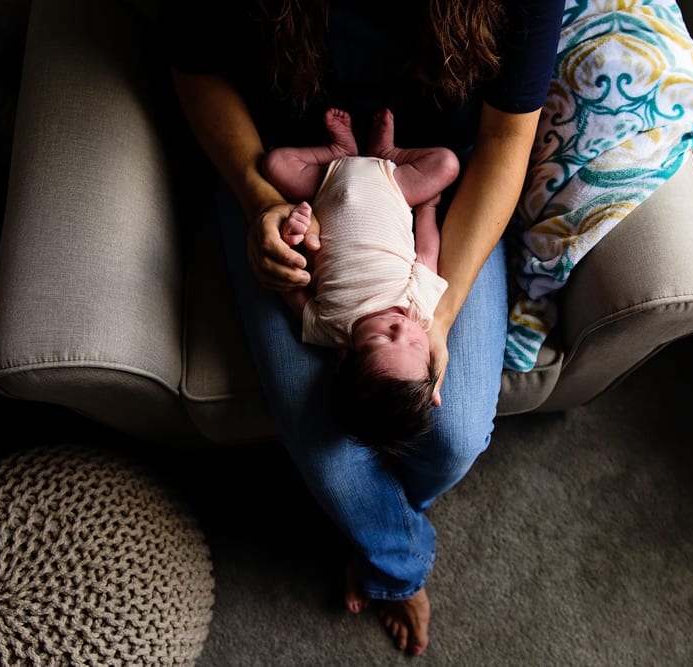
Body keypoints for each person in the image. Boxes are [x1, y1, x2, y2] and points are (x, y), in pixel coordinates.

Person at [162, 0, 565, 656]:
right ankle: (395, 563)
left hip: (426, 182)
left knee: (457, 435)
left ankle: (378, 530)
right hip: (292, 184)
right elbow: (195, 71)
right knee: (334, 453)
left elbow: (505, 140)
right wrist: (261, 204)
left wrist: (433, 313)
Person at [262, 106, 460, 457]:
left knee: (276, 164)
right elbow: (428, 254)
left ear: (346, 356)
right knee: (446, 163)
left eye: (384, 338)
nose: (402, 329)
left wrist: (293, 237)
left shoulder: (328, 327)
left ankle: (339, 150)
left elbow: (290, 284)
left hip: (325, 185)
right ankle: (388, 152)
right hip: (394, 186)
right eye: (415, 345)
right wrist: (426, 210)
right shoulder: (420, 306)